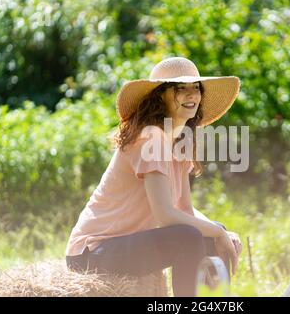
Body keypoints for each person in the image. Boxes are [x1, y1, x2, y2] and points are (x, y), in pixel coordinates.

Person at [65, 57, 242, 297]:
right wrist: (217, 231)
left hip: (127, 246)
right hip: (92, 252)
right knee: (188, 237)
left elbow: (185, 211)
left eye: (196, 88)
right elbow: (166, 215)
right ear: (160, 95)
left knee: (207, 234)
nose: (192, 95)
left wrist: (219, 230)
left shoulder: (179, 143)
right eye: (181, 89)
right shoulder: (151, 138)